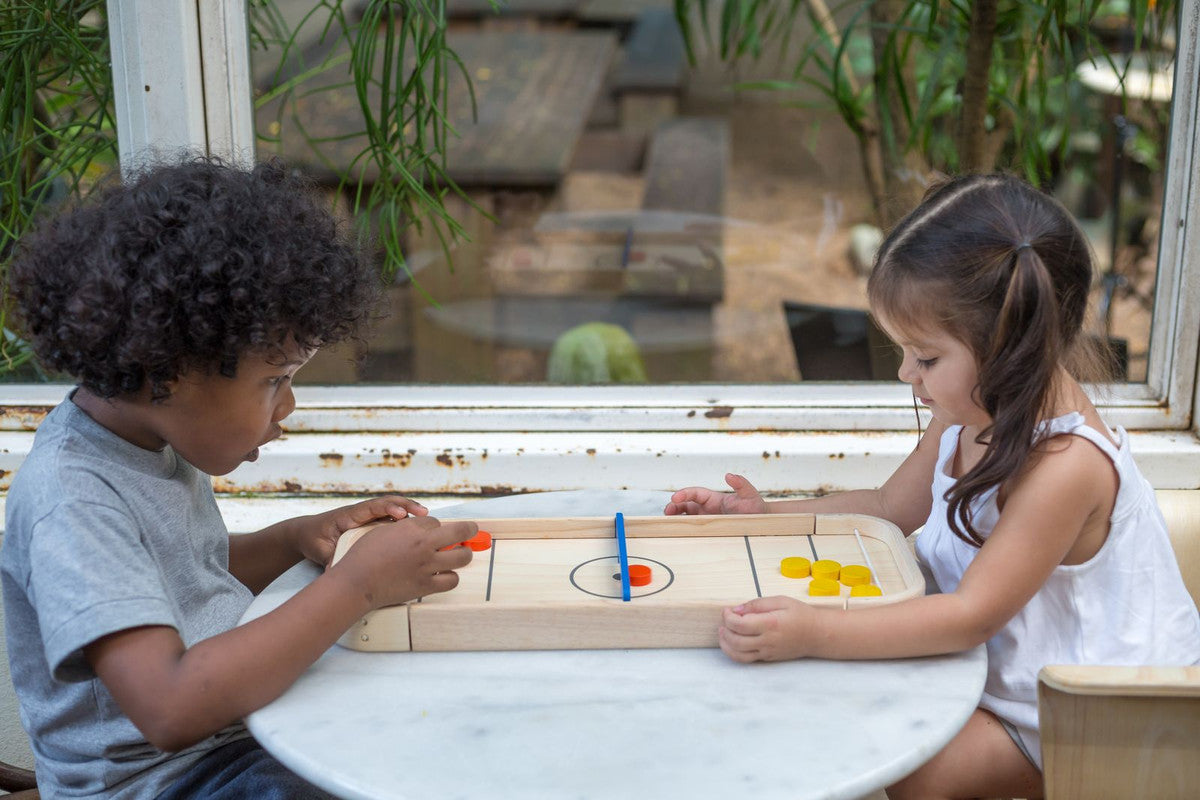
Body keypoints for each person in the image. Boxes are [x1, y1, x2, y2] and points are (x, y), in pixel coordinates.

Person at [664, 173, 1200, 800]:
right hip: (998, 679)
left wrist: (815, 630)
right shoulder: (972, 406)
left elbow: (969, 616)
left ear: (1009, 348)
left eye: (925, 358)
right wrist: (762, 515)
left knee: (904, 767)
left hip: (1094, 720)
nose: (904, 374)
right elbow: (889, 508)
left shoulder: (1065, 465)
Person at [1, 157, 477, 799]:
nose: (287, 409)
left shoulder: (145, 442)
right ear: (166, 364)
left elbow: (179, 573)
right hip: (168, 780)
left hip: (235, 738)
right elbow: (170, 708)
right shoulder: (74, 500)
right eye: (274, 380)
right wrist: (358, 587)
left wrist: (292, 538)